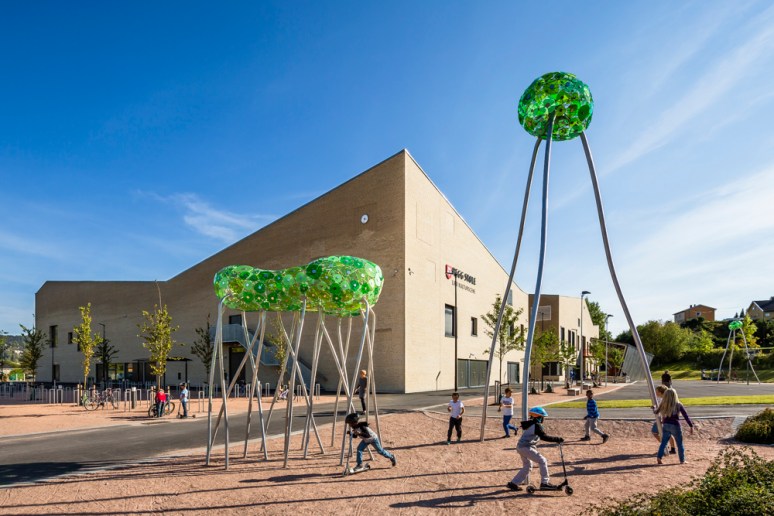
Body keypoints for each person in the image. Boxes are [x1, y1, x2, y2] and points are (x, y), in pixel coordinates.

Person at [507, 406, 564, 491]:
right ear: (539, 417)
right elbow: (544, 437)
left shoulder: (533, 423)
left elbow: (527, 425)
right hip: (525, 447)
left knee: (528, 466)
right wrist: (557, 439)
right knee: (542, 460)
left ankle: (513, 483)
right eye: (542, 417)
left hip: (521, 447)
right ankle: (544, 483)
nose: (543, 419)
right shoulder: (537, 425)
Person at [654, 388, 694, 464]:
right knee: (679, 444)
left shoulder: (663, 404)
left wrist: (654, 408)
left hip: (666, 425)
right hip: (675, 425)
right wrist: (691, 426)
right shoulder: (678, 404)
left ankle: (659, 457)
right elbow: (686, 416)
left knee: (664, 443)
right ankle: (682, 460)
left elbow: (656, 411)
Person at [651, 385, 677, 455]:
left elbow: (662, 410)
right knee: (668, 434)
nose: (655, 393)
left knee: (654, 432)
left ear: (660, 392)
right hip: (663, 418)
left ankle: (665, 446)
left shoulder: (663, 399)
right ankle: (672, 448)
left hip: (662, 418)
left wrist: (662, 418)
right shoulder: (662, 398)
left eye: (657, 391)